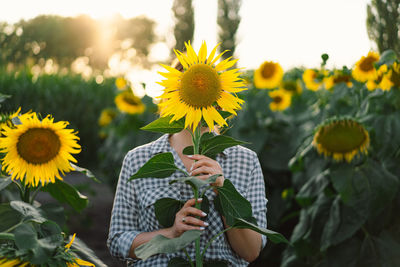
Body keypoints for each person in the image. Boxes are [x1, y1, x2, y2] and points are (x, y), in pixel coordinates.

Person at [107, 61, 268, 267]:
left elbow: (251, 251)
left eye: (205, 84)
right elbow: (118, 241)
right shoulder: (138, 159)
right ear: (172, 95)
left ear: (221, 96)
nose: (199, 87)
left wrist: (223, 190)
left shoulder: (245, 161)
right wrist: (171, 234)